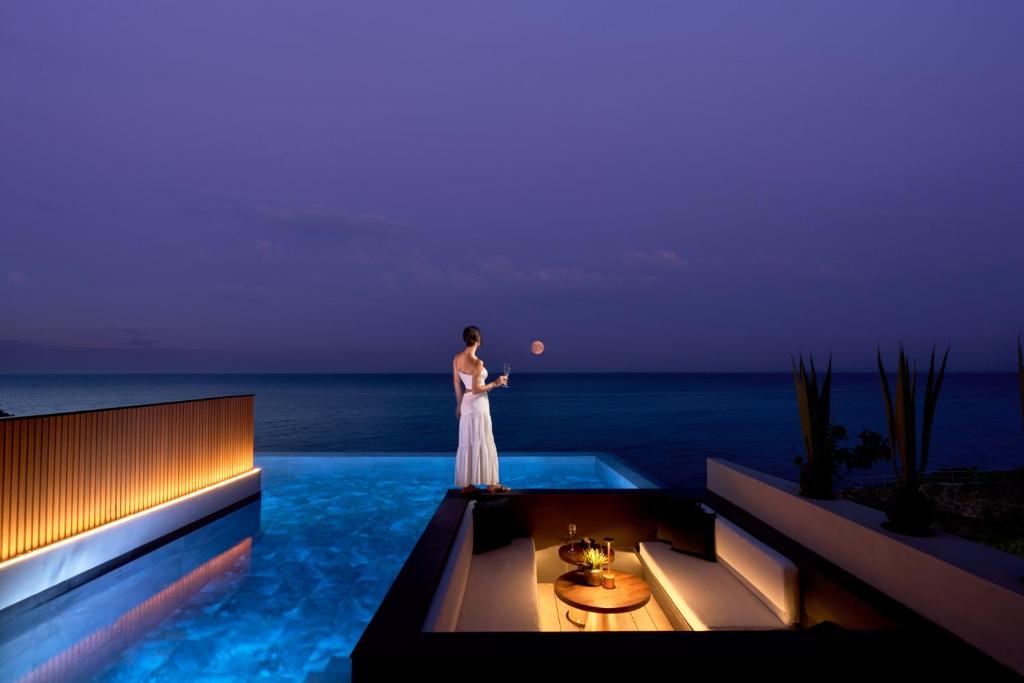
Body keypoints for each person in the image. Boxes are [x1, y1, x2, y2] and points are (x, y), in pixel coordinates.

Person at [453, 325, 509, 493]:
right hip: (478, 404)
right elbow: (477, 388)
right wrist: (496, 383)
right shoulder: (477, 362)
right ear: (478, 339)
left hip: (466, 402)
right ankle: (492, 484)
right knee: (484, 439)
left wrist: (458, 404)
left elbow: (456, 383)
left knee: (468, 441)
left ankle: (467, 485)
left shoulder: (457, 358)